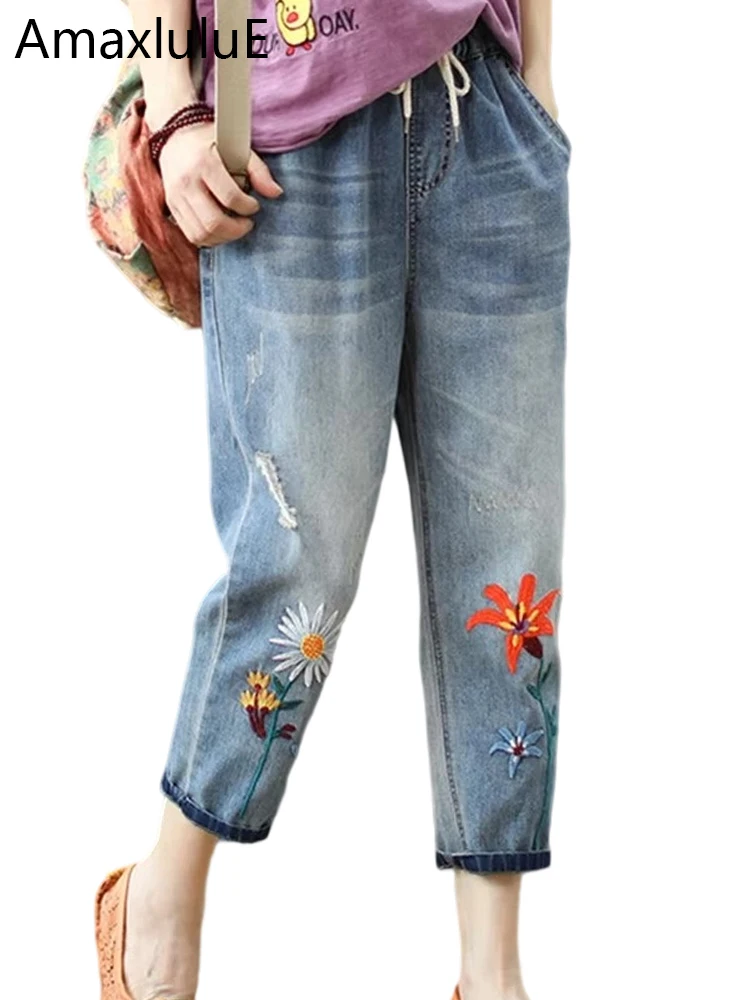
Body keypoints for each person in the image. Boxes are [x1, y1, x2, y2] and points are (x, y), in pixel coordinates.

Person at [93, 3, 571, 1000]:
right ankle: (166, 883)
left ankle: (492, 973)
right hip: (285, 133)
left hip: (485, 109)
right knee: (295, 565)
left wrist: (540, 78)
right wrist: (176, 108)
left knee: (508, 574)